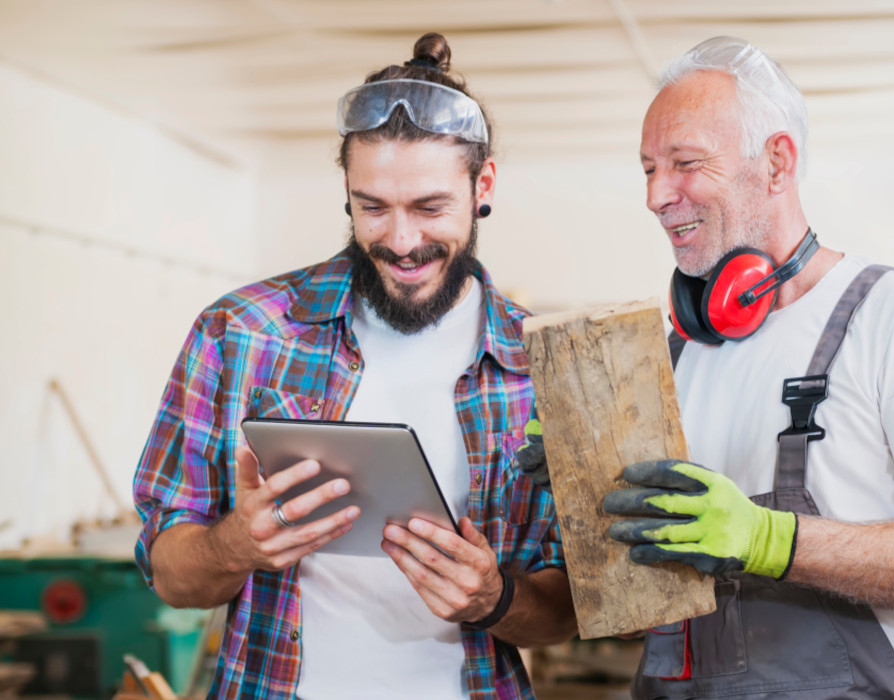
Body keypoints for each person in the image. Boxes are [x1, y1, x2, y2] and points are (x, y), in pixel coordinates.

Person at [563, 36, 894, 700]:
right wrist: (585, 497)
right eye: (648, 168)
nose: (658, 194)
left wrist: (768, 539)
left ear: (775, 164)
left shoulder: (893, 314)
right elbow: (642, 618)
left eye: (685, 163)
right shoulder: (677, 353)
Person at [132, 32, 575, 700]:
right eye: (373, 207)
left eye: (429, 208)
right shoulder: (239, 333)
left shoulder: (545, 366)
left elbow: (568, 609)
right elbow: (169, 573)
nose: (400, 241)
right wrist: (235, 548)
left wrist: (493, 596)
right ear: (346, 190)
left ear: (482, 185)